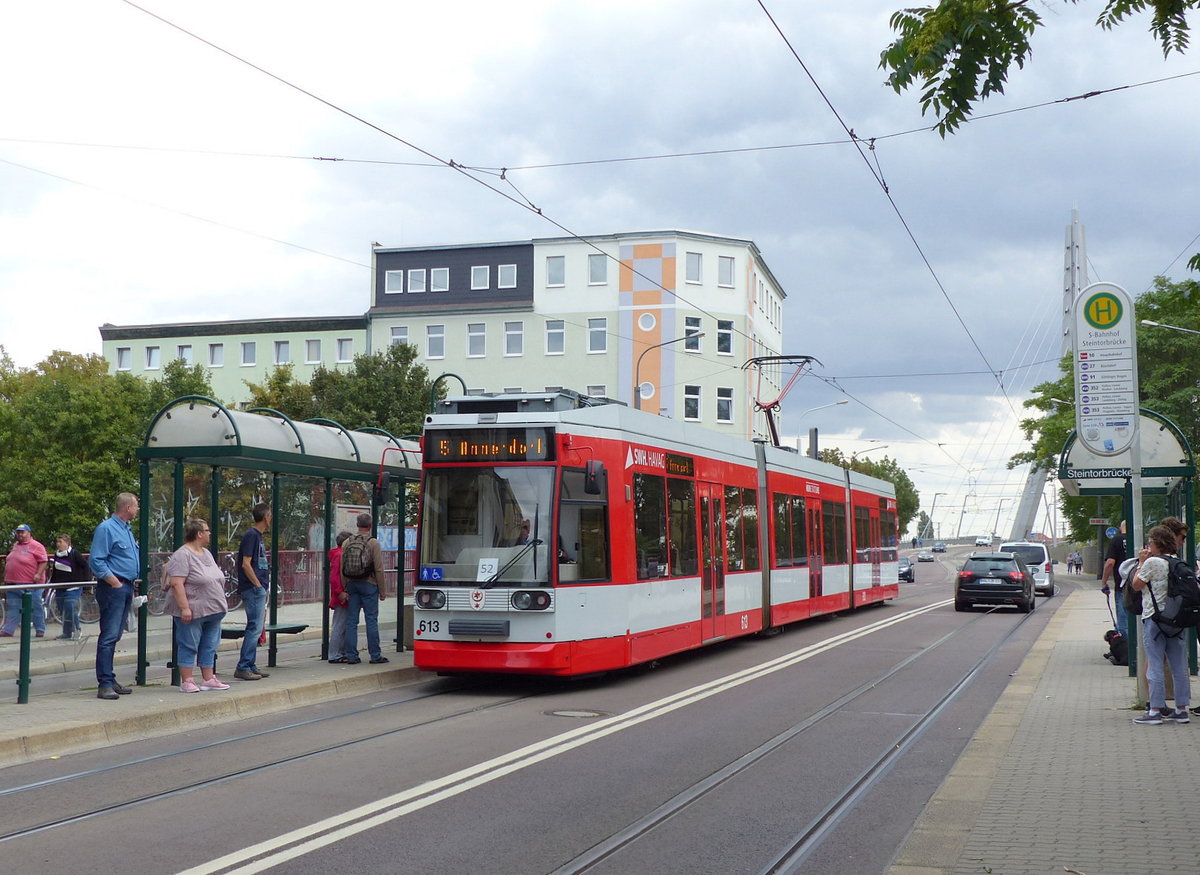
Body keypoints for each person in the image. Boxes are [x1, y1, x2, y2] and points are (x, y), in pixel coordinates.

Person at [1130, 525, 1191, 724]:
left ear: (1156, 543)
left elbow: (1136, 585)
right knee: (1180, 666)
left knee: (1155, 665)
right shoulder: (1179, 562)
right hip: (1178, 620)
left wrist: (1141, 562)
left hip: (1155, 619)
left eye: (1151, 542)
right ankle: (1182, 710)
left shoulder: (1152, 562)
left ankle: (1155, 711)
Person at [163, 519, 230, 692]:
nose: (209, 534)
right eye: (207, 530)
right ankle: (187, 681)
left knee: (209, 645)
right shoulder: (182, 555)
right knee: (189, 643)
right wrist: (185, 607)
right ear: (199, 533)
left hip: (213, 610)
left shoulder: (206, 553)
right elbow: (177, 583)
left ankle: (208, 678)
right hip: (193, 611)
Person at [89, 493, 140, 699]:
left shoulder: (126, 530)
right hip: (114, 588)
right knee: (109, 635)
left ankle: (110, 677)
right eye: (136, 506)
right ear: (127, 508)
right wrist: (116, 583)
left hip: (127, 586)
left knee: (116, 634)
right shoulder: (106, 529)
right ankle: (104, 684)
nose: (137, 509)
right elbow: (96, 561)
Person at [342, 513, 388, 665]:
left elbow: (342, 567)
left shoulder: (347, 542)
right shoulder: (373, 542)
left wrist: (345, 587)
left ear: (357, 525)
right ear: (370, 526)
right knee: (371, 620)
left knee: (351, 621)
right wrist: (382, 590)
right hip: (369, 584)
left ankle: (351, 655)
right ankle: (375, 655)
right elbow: (379, 568)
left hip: (352, 584)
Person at [234, 503, 272, 681]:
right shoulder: (251, 535)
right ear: (266, 517)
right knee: (254, 627)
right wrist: (257, 585)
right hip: (253, 588)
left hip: (258, 587)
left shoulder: (258, 536)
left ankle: (250, 664)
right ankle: (243, 665)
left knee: (256, 627)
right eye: (270, 515)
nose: (270, 519)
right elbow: (245, 563)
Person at [1, 524, 49, 638]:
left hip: (31, 583)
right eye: (18, 532)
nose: (20, 534)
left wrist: (38, 574)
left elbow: (43, 561)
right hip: (13, 583)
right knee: (13, 606)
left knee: (35, 605)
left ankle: (40, 629)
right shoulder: (15, 545)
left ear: (29, 533)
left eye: (22, 532)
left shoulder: (37, 546)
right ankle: (8, 630)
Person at [51, 533, 89, 639]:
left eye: (60, 542)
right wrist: (53, 583)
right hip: (61, 586)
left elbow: (85, 566)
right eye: (57, 542)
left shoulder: (74, 554)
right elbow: (56, 570)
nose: (58, 544)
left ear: (67, 543)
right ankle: (67, 632)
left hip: (73, 586)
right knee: (63, 609)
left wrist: (85, 582)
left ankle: (77, 629)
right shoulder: (57, 554)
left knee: (70, 607)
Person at [1100, 521, 1128, 638]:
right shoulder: (1141, 540)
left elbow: (1110, 563)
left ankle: (1125, 649)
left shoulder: (1116, 540)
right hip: (1139, 584)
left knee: (1123, 618)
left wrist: (1104, 582)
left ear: (1121, 528)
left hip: (1122, 585)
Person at [327, 531, 351, 664]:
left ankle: (340, 652)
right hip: (341, 595)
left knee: (342, 624)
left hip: (341, 594)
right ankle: (335, 653)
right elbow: (335, 577)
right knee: (339, 625)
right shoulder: (340, 555)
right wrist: (340, 591)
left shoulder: (337, 554)